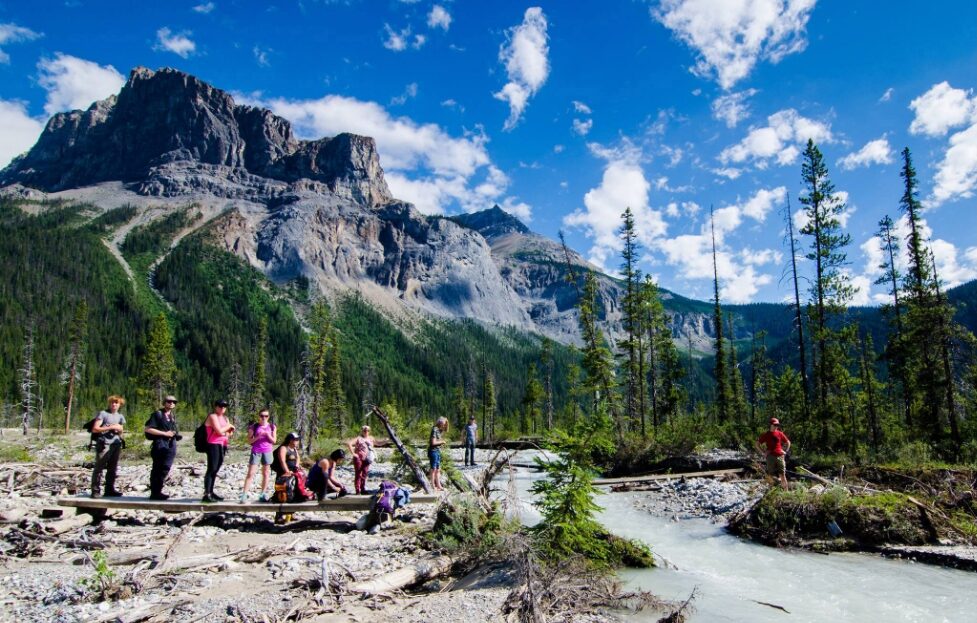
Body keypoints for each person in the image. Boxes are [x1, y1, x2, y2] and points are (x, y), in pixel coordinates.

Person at [144, 395, 181, 500]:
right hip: (160, 444)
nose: (171, 403)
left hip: (170, 445)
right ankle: (155, 492)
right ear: (164, 402)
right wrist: (165, 434)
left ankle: (158, 490)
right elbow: (148, 429)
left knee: (165, 468)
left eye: (174, 402)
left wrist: (174, 434)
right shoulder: (158, 414)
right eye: (169, 401)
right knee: (157, 468)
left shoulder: (172, 416)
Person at [91, 395, 127, 498]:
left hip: (116, 443)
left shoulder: (120, 416)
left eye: (116, 403)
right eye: (112, 402)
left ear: (120, 404)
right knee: (99, 467)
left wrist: (119, 432)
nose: (114, 404)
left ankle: (109, 489)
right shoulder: (103, 414)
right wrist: (111, 427)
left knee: (112, 468)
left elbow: (121, 430)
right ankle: (95, 490)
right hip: (104, 443)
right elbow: (95, 428)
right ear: (109, 403)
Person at [202, 399, 235, 502]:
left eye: (224, 407)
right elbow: (219, 431)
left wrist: (228, 431)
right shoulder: (212, 416)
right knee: (212, 468)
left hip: (222, 444)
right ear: (215, 406)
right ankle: (207, 494)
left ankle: (211, 492)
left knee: (216, 469)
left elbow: (228, 434)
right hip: (213, 444)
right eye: (220, 406)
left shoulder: (225, 418)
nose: (222, 408)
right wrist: (228, 427)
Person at [241, 409, 277, 502]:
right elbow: (249, 441)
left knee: (266, 473)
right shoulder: (254, 427)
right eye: (262, 416)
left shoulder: (272, 427)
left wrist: (267, 435)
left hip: (267, 451)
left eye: (266, 416)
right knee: (251, 473)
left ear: (268, 417)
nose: (264, 418)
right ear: (259, 416)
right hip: (256, 451)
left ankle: (263, 494)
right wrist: (258, 437)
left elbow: (274, 441)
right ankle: (244, 494)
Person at [756, 417, 791, 490]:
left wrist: (785, 451)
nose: (776, 426)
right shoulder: (766, 434)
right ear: (770, 425)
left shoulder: (780, 433)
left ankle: (786, 492)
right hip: (770, 456)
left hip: (780, 456)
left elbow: (788, 442)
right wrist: (763, 452)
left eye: (777, 425)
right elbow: (757, 444)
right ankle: (771, 492)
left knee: (782, 474)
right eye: (774, 425)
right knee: (770, 475)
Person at [346, 425, 375, 494]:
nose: (366, 432)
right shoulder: (358, 438)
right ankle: (357, 489)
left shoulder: (371, 438)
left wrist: (388, 440)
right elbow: (349, 443)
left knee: (365, 473)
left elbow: (379, 443)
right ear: (362, 431)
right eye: (364, 430)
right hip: (358, 458)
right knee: (358, 473)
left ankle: (363, 488)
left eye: (368, 430)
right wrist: (353, 453)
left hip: (367, 458)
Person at [428, 417, 449, 491]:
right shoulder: (435, 429)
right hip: (433, 451)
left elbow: (446, 429)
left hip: (437, 451)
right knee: (433, 469)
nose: (444, 425)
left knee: (438, 469)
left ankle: (439, 486)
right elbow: (433, 442)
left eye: (444, 424)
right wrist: (442, 442)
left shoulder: (439, 430)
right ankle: (433, 486)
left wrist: (447, 422)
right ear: (440, 423)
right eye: (443, 424)